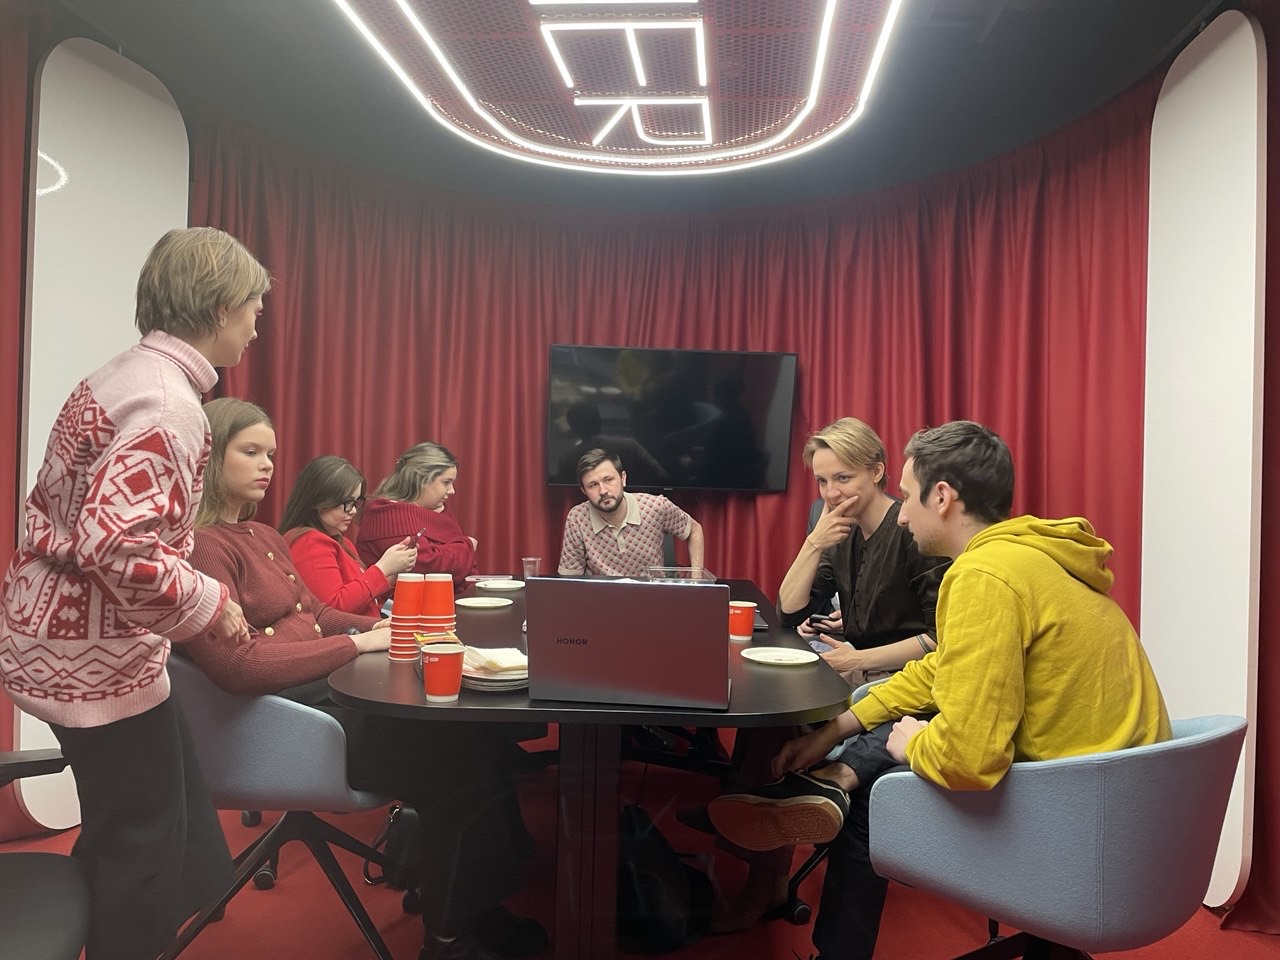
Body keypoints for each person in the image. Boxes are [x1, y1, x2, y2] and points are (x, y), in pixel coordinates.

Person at [709, 420, 1171, 960]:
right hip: (1130, 804)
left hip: (1077, 819)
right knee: (880, 754)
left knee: (875, 802)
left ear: (943, 497)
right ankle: (830, 783)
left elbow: (970, 760)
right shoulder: (1030, 557)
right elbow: (939, 669)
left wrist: (911, 745)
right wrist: (838, 728)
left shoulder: (983, 577)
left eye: (907, 496)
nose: (903, 514)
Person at [185, 399, 544, 960]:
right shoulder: (205, 545)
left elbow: (320, 614)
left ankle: (468, 905)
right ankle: (450, 939)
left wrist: (386, 627)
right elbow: (238, 666)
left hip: (319, 695)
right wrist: (355, 643)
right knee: (460, 758)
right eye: (250, 452)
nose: (267, 465)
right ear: (209, 457)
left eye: (270, 454)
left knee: (477, 736)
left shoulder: (263, 534)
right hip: (292, 723)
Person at [0, 227, 266, 960]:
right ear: (218, 307)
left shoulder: (124, 374)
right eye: (252, 306)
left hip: (52, 636)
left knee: (157, 817)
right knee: (143, 846)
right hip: (89, 657)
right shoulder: (169, 406)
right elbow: (118, 547)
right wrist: (212, 601)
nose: (257, 322)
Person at [698, 418, 948, 933]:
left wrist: (859, 658)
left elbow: (941, 639)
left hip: (908, 683)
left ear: (877, 472)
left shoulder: (912, 530)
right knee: (769, 706)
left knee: (780, 719)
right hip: (856, 672)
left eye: (843, 478)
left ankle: (770, 836)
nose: (831, 493)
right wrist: (813, 543)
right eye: (822, 481)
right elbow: (789, 609)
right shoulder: (839, 533)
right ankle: (762, 826)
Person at [279, 455, 417, 617]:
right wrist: (383, 568)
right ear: (320, 501)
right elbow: (332, 610)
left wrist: (392, 574)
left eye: (356, 502)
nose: (353, 510)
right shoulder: (309, 542)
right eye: (347, 503)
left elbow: (365, 601)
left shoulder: (342, 542)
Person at [557, 448, 705, 577]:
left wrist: (696, 578)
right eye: (593, 485)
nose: (603, 491)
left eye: (608, 480)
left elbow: (695, 530)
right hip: (601, 597)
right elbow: (570, 580)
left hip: (651, 595)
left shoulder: (655, 506)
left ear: (623, 478)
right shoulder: (577, 518)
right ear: (584, 491)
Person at [357, 442, 478, 588]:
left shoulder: (438, 510)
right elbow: (429, 567)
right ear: (420, 480)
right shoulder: (387, 514)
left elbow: (466, 567)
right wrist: (468, 546)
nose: (452, 490)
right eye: (446, 482)